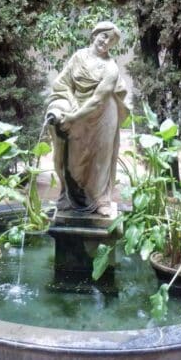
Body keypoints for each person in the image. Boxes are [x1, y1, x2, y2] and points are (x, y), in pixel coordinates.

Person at [45, 21, 130, 216]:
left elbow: (98, 99)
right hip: (77, 111)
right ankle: (70, 196)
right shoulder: (78, 57)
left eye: (112, 41)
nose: (106, 42)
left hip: (103, 114)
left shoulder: (111, 68)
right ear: (95, 34)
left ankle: (101, 200)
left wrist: (73, 116)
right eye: (104, 36)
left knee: (100, 158)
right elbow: (62, 83)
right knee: (74, 161)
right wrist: (70, 103)